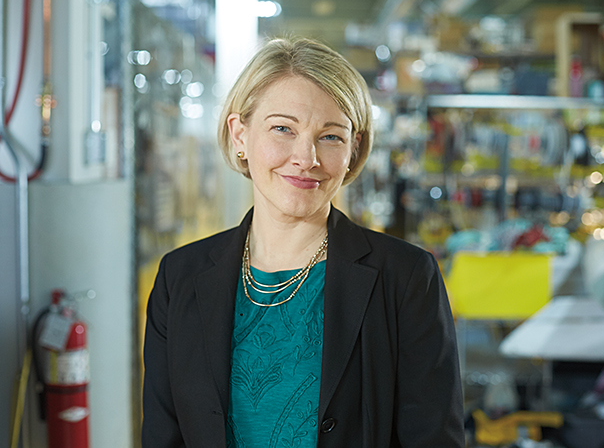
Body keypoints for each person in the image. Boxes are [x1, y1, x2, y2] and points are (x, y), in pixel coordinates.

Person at [142, 37, 464, 448]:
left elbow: (433, 439)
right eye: (282, 129)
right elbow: (162, 435)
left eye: (330, 136)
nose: (306, 157)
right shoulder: (179, 277)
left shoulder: (404, 278)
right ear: (240, 134)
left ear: (354, 148)